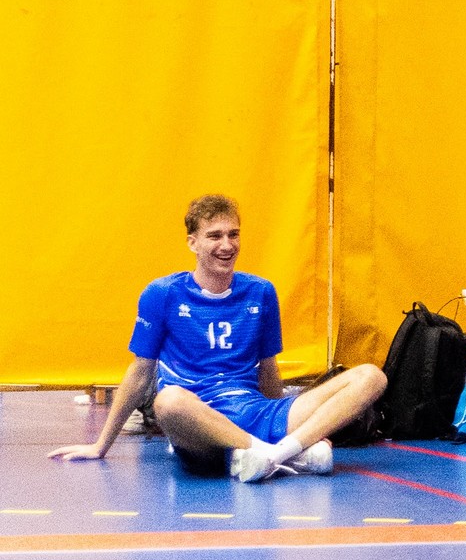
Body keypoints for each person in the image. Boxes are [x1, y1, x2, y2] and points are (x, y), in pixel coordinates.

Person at [49, 195, 386, 482]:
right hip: (199, 420)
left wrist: (284, 422)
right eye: (214, 236)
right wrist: (100, 445)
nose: (227, 245)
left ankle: (277, 453)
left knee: (371, 376)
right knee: (168, 401)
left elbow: (268, 370)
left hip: (255, 411)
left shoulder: (261, 292)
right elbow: (140, 373)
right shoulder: (163, 293)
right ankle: (272, 453)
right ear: (192, 243)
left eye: (233, 234)